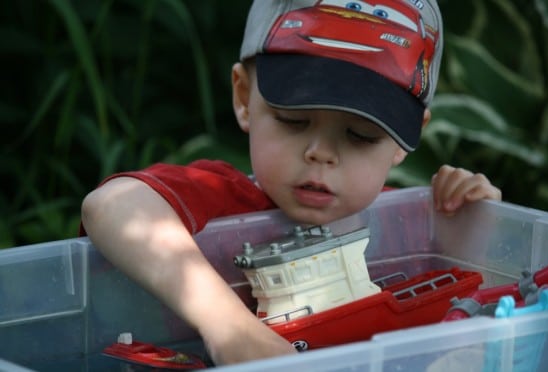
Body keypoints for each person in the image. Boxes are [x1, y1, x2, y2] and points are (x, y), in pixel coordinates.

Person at [81, 0, 501, 366]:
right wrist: (229, 326)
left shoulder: (402, 225)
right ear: (245, 99)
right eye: (293, 120)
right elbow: (114, 205)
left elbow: (454, 320)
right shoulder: (217, 197)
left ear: (400, 143)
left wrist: (473, 225)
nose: (320, 152)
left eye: (361, 135)